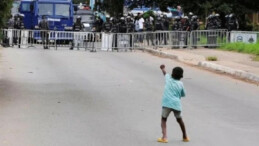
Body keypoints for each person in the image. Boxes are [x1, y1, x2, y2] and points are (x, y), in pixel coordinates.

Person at [158, 64, 189, 143]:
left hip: (167, 103)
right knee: (180, 120)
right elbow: (183, 94)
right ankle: (185, 136)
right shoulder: (181, 84)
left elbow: (165, 73)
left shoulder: (168, 79)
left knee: (164, 119)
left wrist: (163, 68)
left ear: (172, 73)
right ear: (181, 76)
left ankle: (164, 137)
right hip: (176, 104)